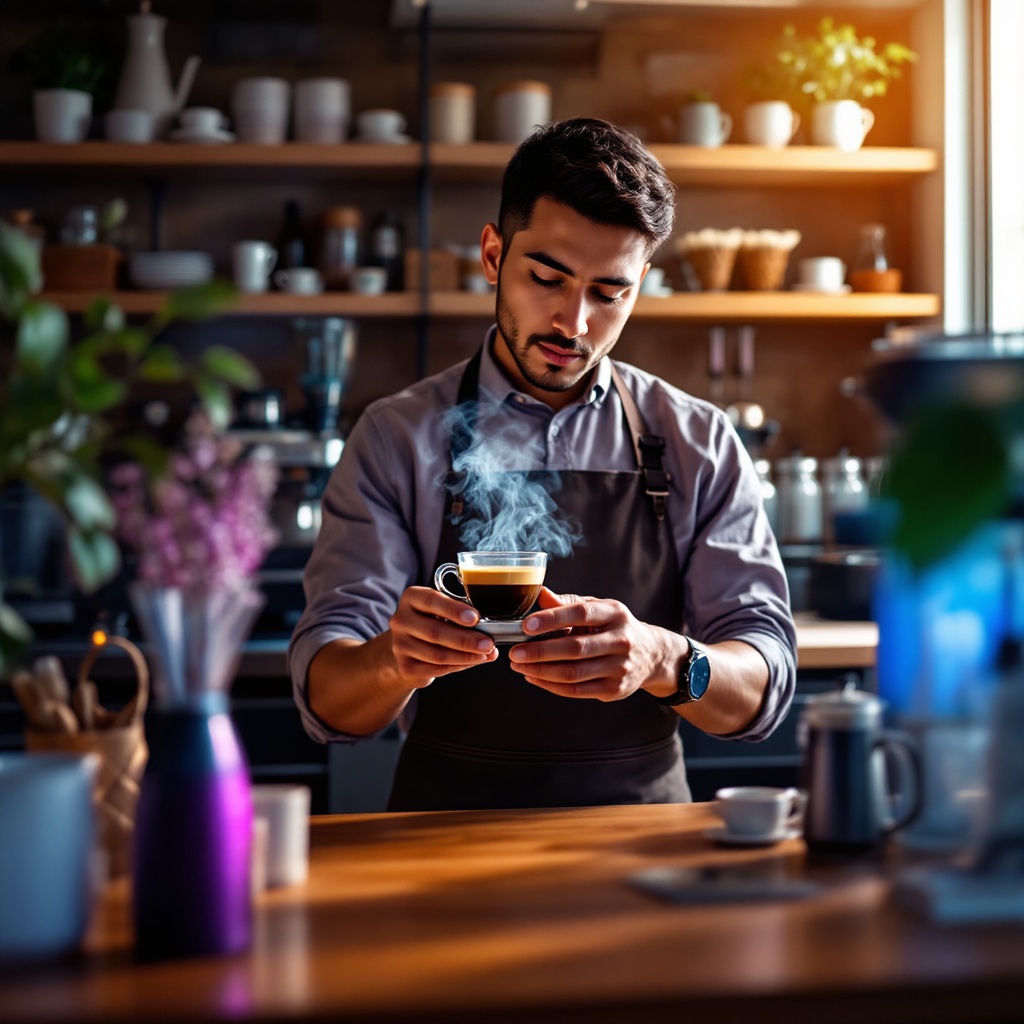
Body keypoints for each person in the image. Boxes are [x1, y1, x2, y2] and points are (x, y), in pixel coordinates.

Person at [288, 117, 796, 811]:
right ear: (493, 255)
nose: (573, 322)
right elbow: (329, 703)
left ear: (640, 285)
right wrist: (390, 660)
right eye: (547, 278)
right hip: (441, 846)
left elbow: (762, 689)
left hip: (640, 847)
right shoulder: (396, 438)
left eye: (609, 292)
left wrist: (661, 658)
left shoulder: (696, 442)